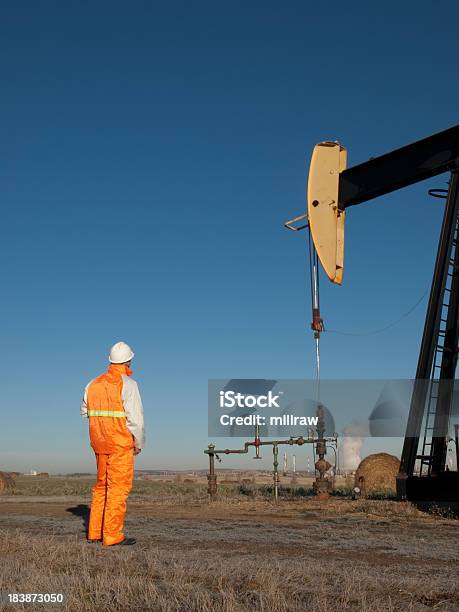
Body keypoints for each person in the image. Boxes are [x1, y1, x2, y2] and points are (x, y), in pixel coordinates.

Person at [81, 341, 145, 546]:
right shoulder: (129, 384)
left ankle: (95, 532)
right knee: (117, 489)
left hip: (99, 443)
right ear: (129, 361)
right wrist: (138, 442)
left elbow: (85, 411)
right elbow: (136, 419)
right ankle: (112, 535)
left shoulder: (92, 384)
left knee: (101, 487)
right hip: (120, 444)